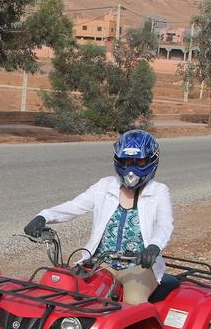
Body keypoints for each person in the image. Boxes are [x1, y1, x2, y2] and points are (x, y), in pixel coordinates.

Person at [24, 129, 174, 304]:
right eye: (126, 161)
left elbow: (165, 224)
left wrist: (154, 246)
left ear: (150, 161)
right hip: (101, 264)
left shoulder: (158, 192)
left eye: (138, 161)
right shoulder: (105, 186)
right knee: (68, 292)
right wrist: (43, 216)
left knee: (133, 302)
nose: (131, 168)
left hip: (139, 267)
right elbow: (75, 206)